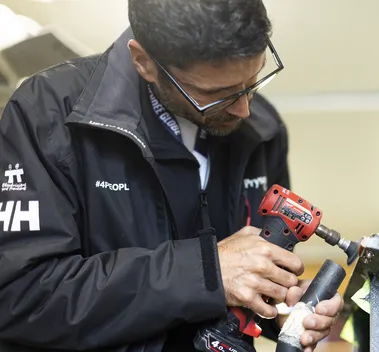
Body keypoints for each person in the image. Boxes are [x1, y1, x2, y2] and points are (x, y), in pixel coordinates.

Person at [0, 0, 344, 351]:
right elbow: (20, 297)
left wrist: (277, 307)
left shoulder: (263, 130)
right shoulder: (47, 114)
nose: (244, 109)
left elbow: (243, 281)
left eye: (253, 79)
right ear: (144, 63)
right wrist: (207, 273)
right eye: (214, 95)